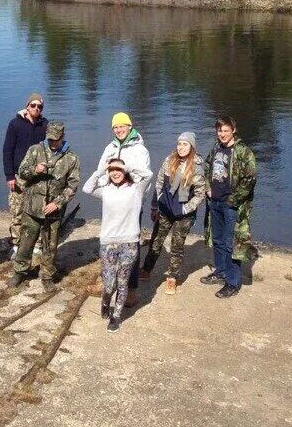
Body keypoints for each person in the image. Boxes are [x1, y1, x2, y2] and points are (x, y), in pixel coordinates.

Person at [9, 121, 80, 293]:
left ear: (62, 137)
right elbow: (22, 170)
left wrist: (57, 203)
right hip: (32, 208)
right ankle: (20, 271)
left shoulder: (71, 158)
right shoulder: (35, 150)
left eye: (56, 139)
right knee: (26, 242)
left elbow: (72, 186)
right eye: (50, 139)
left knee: (50, 246)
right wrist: (35, 169)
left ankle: (47, 276)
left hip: (53, 212)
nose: (53, 142)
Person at [83, 158, 152, 331]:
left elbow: (148, 174)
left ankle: (116, 317)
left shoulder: (136, 189)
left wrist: (126, 166)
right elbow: (87, 188)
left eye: (118, 169)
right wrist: (101, 170)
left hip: (129, 243)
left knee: (122, 282)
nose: (115, 173)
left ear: (125, 171)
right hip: (108, 243)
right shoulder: (105, 190)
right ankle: (105, 303)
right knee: (108, 284)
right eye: (112, 170)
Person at [141, 132, 206, 295]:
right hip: (165, 209)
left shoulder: (197, 167)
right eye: (179, 144)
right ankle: (146, 270)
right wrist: (156, 204)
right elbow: (159, 182)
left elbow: (200, 194)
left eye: (185, 144)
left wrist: (186, 208)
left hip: (183, 215)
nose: (181, 147)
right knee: (156, 241)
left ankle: (172, 278)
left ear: (192, 147)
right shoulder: (169, 160)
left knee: (177, 247)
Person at [96, 112, 151, 305]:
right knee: (109, 245)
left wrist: (131, 195)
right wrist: (105, 190)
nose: (119, 130)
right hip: (111, 202)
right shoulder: (109, 148)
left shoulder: (139, 149)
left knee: (131, 246)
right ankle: (108, 283)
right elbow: (101, 171)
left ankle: (131, 289)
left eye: (122, 126)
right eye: (115, 127)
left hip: (131, 205)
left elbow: (144, 178)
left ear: (129, 126)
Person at [201, 116, 257, 298]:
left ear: (233, 130)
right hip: (215, 202)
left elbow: (250, 179)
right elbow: (207, 166)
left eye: (226, 130)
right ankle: (220, 272)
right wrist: (207, 188)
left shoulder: (243, 151)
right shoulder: (217, 148)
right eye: (219, 130)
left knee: (230, 244)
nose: (222, 134)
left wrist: (233, 200)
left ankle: (232, 283)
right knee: (217, 240)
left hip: (232, 205)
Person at [2, 93, 49, 256]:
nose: (36, 109)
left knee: (38, 211)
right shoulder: (15, 124)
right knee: (17, 211)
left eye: (39, 106)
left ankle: (36, 245)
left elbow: (50, 149)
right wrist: (9, 176)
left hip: (39, 177)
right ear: (27, 106)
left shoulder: (45, 125)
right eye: (33, 105)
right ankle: (16, 244)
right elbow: (7, 150)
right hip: (19, 176)